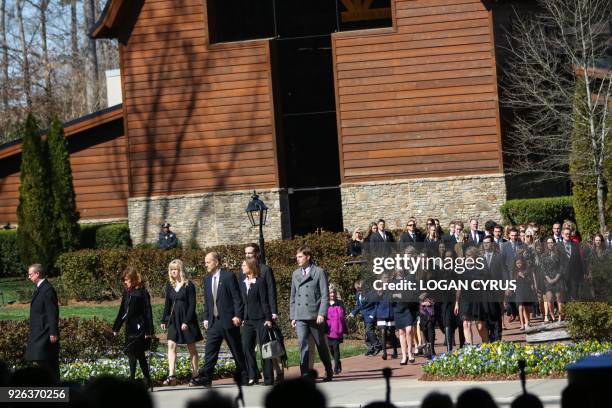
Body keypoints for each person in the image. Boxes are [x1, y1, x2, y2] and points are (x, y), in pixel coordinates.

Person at [194, 251, 247, 387]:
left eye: (208, 262)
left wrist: (238, 315)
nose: (206, 265)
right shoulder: (207, 279)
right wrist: (206, 317)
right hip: (214, 322)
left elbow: (237, 298)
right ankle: (206, 377)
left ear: (216, 262)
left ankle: (244, 374)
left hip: (229, 320)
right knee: (210, 351)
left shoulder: (228, 276)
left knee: (236, 350)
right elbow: (207, 301)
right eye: (205, 262)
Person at [289, 246, 334, 381]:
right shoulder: (295, 274)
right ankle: (305, 374)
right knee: (302, 344)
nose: (298, 259)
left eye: (300, 257)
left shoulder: (319, 272)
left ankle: (328, 370)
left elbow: (325, 295)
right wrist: (293, 316)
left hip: (315, 315)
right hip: (301, 315)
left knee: (320, 345)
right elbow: (293, 296)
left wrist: (322, 313)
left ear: (308, 257)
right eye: (297, 257)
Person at [160, 259, 203, 386]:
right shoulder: (170, 285)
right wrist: (164, 319)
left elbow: (192, 305)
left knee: (192, 349)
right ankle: (171, 375)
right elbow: (167, 304)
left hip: (187, 320)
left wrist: (186, 321)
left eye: (175, 269)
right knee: (171, 345)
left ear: (180, 270)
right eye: (171, 269)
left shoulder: (189, 285)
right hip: (174, 320)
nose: (173, 272)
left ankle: (195, 374)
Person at [239, 258, 279, 386]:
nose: (242, 267)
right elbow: (242, 302)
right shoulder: (243, 282)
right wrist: (241, 317)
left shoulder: (260, 282)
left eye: (244, 265)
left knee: (264, 348)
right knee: (246, 347)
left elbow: (264, 301)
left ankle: (268, 378)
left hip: (261, 319)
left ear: (251, 267)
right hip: (248, 320)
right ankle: (252, 375)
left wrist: (268, 319)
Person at [112, 267, 154, 388]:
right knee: (139, 355)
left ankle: (132, 379)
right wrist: (116, 327)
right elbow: (122, 311)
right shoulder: (127, 292)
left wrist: (149, 330)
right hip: (129, 327)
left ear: (134, 279)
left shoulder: (142, 292)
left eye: (127, 280)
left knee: (132, 353)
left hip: (140, 328)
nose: (125, 282)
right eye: (124, 280)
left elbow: (147, 311)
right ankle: (147, 379)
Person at [25, 264, 60, 383]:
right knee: (41, 361)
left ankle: (54, 387)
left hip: (45, 332)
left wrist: (53, 333)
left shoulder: (47, 289)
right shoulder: (40, 288)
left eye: (30, 274)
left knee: (47, 362)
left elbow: (52, 312)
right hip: (39, 331)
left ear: (37, 274)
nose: (29, 277)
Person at [348, 279, 381, 356]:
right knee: (366, 333)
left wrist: (373, 315)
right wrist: (352, 313)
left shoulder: (371, 293)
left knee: (369, 330)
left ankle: (377, 345)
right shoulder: (358, 295)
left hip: (371, 315)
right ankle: (371, 348)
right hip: (365, 316)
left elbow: (376, 305)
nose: (358, 290)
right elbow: (358, 306)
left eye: (360, 289)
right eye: (357, 289)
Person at [540, 238, 564, 322]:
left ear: (554, 243)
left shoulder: (559, 254)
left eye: (551, 242)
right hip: (547, 279)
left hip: (558, 278)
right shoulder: (543, 255)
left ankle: (560, 316)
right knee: (549, 298)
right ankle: (552, 315)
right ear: (546, 244)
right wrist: (548, 279)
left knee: (559, 298)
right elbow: (543, 269)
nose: (550, 244)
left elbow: (561, 267)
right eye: (548, 242)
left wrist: (556, 278)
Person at [558, 227, 584, 301]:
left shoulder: (576, 245)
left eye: (569, 234)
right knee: (564, 297)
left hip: (574, 276)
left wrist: (581, 274)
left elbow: (579, 261)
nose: (568, 235)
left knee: (575, 296)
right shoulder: (557, 246)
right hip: (562, 276)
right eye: (566, 234)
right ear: (562, 234)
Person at [326, 284, 348, 374]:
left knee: (335, 347)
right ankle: (337, 361)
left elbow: (343, 317)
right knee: (330, 348)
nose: (332, 294)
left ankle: (335, 367)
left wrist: (345, 328)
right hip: (327, 329)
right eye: (330, 293)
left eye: (333, 292)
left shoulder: (340, 303)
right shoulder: (324, 303)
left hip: (337, 329)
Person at [514, 257, 536, 330]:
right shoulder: (514, 271)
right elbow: (512, 280)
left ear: (523, 263)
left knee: (526, 307)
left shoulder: (527, 270)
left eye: (520, 263)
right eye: (517, 263)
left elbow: (530, 281)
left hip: (526, 289)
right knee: (520, 306)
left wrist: (523, 276)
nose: (518, 265)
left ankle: (528, 321)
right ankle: (522, 324)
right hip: (518, 290)